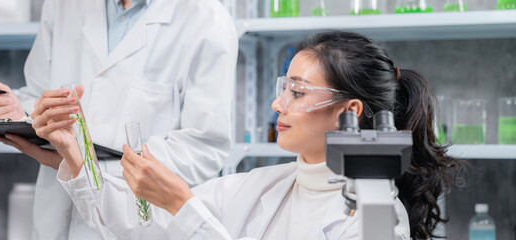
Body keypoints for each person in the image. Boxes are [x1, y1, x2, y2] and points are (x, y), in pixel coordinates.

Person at [38, 31, 467, 239]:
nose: (278, 106)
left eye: (297, 92)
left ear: (349, 112)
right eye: (283, 89)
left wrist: (182, 204)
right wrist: (73, 153)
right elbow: (138, 224)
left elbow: (187, 219)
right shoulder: (266, 185)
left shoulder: (375, 219)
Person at [0, 0, 238, 239]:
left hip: (138, 225)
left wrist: (88, 169)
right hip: (53, 222)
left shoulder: (205, 18)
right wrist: (19, 113)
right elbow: (37, 96)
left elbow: (203, 146)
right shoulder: (63, 5)